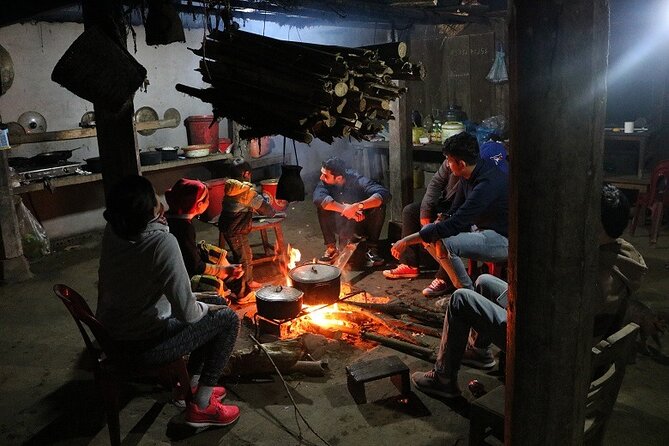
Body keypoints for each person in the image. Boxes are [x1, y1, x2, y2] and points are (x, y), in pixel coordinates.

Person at [410, 184, 648, 398]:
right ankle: (479, 352)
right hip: (552, 327)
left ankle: (443, 378)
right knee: (484, 281)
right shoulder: (620, 254)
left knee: (462, 299)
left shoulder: (595, 273)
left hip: (546, 350)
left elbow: (551, 312)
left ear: (596, 223)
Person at [96, 175, 241, 427]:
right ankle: (202, 407)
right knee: (227, 318)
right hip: (141, 347)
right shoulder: (163, 242)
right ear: (148, 208)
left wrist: (207, 302)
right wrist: (209, 307)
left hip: (113, 335)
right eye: (155, 198)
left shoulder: (115, 229)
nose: (160, 201)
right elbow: (189, 314)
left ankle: (193, 387)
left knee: (214, 299)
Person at [391, 132, 509, 296]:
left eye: (449, 160)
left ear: (461, 163)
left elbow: (458, 222)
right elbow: (454, 210)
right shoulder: (467, 174)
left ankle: (468, 294)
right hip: (480, 230)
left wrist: (407, 240)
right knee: (432, 234)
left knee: (443, 241)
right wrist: (440, 220)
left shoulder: (487, 183)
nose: (447, 164)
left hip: (502, 239)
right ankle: (461, 289)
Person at [164, 178, 244, 302]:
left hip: (184, 264)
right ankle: (217, 307)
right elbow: (194, 266)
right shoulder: (184, 228)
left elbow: (190, 253)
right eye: (207, 199)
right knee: (214, 286)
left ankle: (241, 291)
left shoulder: (172, 217)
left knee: (212, 253)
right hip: (176, 277)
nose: (209, 201)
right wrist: (223, 270)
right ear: (199, 205)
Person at [383, 156, 460, 279]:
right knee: (411, 211)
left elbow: (465, 204)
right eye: (447, 159)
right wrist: (426, 211)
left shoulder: (472, 172)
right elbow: (435, 184)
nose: (447, 163)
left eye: (450, 160)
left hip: (460, 211)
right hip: (446, 204)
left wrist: (438, 221)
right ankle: (409, 264)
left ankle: (444, 277)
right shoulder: (449, 164)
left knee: (438, 228)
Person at [313, 157, 391, 267]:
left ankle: (371, 248)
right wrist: (345, 209)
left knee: (379, 206)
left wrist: (357, 206)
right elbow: (318, 198)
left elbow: (384, 194)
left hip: (361, 221)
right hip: (338, 222)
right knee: (322, 206)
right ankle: (331, 249)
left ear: (339, 178)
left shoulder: (357, 180)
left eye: (325, 175)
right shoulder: (324, 183)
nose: (321, 177)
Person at [218, 157, 276, 296]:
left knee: (247, 254)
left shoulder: (232, 187)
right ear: (246, 174)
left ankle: (248, 281)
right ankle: (243, 290)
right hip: (235, 229)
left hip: (232, 227)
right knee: (243, 258)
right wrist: (273, 212)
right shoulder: (245, 192)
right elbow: (265, 209)